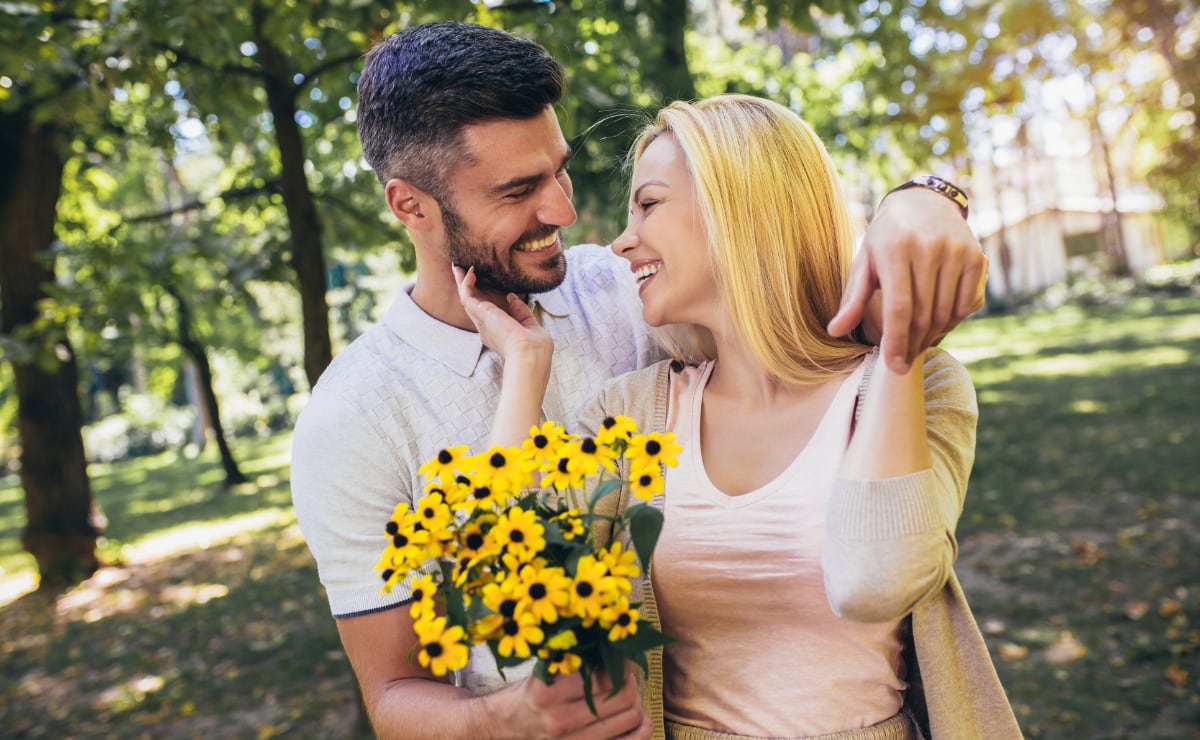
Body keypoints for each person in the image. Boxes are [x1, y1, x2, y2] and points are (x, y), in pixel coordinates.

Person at [291, 21, 991, 740]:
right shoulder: (351, 420)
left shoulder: (625, 286)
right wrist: (514, 718)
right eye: (519, 189)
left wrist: (927, 197)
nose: (565, 211)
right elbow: (392, 695)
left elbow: (792, 272)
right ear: (411, 206)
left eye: (559, 169)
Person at [459, 94, 1021, 739]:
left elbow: (876, 581)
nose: (622, 241)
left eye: (649, 204)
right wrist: (526, 365)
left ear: (738, 206)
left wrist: (899, 336)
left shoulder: (917, 385)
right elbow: (501, 582)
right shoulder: (634, 414)